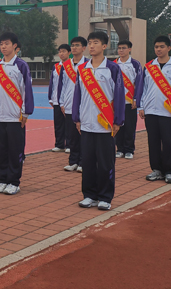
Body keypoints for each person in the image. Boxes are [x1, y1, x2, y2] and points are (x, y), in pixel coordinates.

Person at [73, 32, 125, 210]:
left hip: (106, 125)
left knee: (105, 163)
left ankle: (105, 197)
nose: (92, 46)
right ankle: (89, 195)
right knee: (87, 162)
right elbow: (77, 96)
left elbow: (119, 95)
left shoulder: (112, 69)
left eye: (96, 43)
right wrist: (76, 118)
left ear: (104, 46)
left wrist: (118, 120)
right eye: (90, 43)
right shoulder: (83, 69)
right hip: (86, 124)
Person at [0, 32, 34, 195]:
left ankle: (14, 181)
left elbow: (26, 89)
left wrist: (25, 113)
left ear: (15, 46)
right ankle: (2, 180)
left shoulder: (21, 66)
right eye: (1, 44)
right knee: (0, 150)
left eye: (6, 43)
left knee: (15, 150)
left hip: (15, 116)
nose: (3, 47)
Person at [135, 35, 171, 184]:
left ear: (169, 48)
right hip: (151, 111)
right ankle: (156, 170)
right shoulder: (149, 66)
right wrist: (141, 106)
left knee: (169, 142)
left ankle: (169, 171)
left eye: (162, 47)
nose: (159, 49)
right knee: (153, 142)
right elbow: (143, 88)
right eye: (156, 47)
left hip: (168, 112)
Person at [59, 36, 88, 172]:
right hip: (69, 105)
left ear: (83, 48)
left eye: (77, 45)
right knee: (71, 136)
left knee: (83, 135)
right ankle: (73, 161)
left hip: (85, 106)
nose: (74, 48)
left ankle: (83, 162)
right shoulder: (65, 65)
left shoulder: (88, 64)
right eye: (73, 45)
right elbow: (62, 86)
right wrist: (62, 102)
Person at [114, 40, 142, 160]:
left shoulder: (135, 64)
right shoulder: (114, 64)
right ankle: (119, 149)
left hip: (130, 101)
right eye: (119, 48)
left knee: (130, 126)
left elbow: (139, 83)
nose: (121, 50)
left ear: (129, 49)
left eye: (123, 48)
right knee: (118, 125)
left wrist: (136, 99)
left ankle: (129, 149)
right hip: (117, 102)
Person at [49, 44, 71, 152]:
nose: (61, 54)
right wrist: (50, 98)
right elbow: (52, 83)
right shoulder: (55, 67)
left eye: (64, 51)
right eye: (60, 51)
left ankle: (69, 144)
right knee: (58, 123)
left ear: (69, 53)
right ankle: (59, 144)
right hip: (56, 99)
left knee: (69, 123)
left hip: (67, 100)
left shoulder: (72, 66)